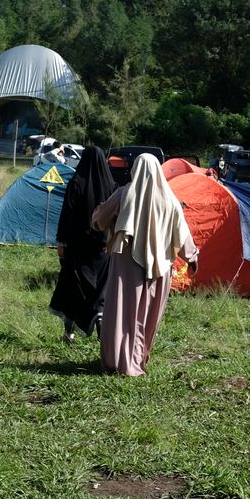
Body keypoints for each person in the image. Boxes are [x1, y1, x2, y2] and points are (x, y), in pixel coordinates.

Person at [90, 153, 197, 376]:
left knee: (122, 312)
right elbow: (183, 237)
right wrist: (192, 258)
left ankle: (119, 361)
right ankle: (137, 359)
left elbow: (98, 221)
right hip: (161, 267)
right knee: (148, 315)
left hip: (127, 265)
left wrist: (102, 214)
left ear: (135, 169)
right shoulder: (170, 200)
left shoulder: (124, 194)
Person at [49, 146, 116, 343]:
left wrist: (62, 242)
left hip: (77, 248)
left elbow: (67, 216)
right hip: (103, 248)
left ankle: (68, 333)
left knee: (73, 289)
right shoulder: (111, 186)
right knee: (99, 292)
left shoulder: (77, 182)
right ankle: (102, 332)